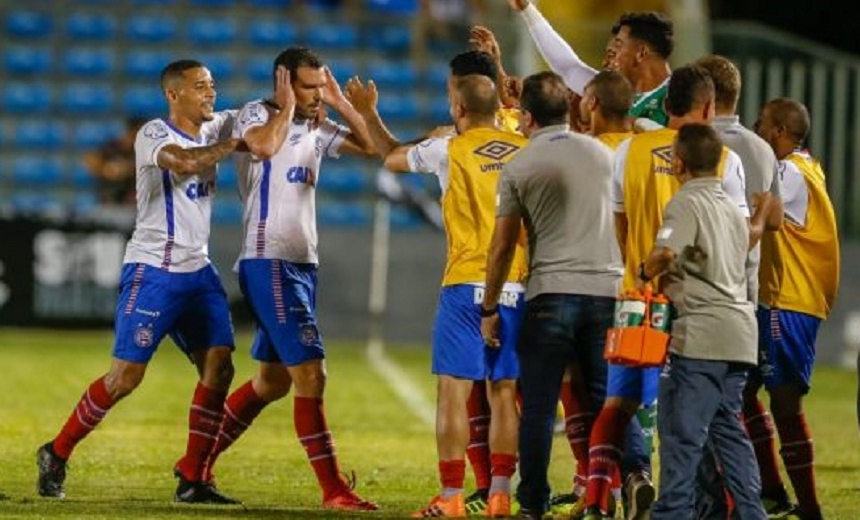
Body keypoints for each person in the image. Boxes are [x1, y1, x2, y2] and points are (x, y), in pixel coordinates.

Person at [36, 59, 245, 504]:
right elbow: (186, 163)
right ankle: (56, 452)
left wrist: (298, 101)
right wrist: (233, 145)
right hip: (153, 271)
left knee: (220, 366)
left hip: (198, 270)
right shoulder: (154, 133)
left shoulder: (216, 124)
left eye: (213, 85)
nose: (212, 93)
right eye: (201, 86)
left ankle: (193, 477)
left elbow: (257, 117)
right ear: (174, 94)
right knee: (125, 378)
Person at [197, 46, 378, 511]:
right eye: (309, 86)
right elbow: (262, 147)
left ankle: (193, 465)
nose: (318, 94)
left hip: (302, 265)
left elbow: (374, 148)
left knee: (272, 383)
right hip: (269, 261)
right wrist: (291, 108)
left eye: (322, 86)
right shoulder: (256, 114)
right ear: (284, 82)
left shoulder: (318, 126)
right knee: (312, 375)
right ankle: (334, 489)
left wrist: (342, 105)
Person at [352, 72, 527, 517]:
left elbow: (390, 156)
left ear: (459, 110)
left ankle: (451, 496)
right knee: (503, 389)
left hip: (466, 281)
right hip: (518, 282)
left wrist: (369, 112)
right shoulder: (527, 148)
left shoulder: (450, 148)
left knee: (453, 390)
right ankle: (501, 494)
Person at [581, 64, 750, 520]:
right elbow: (734, 233)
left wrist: (638, 274)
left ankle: (610, 493)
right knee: (697, 418)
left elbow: (620, 224)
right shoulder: (725, 159)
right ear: (709, 107)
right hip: (697, 305)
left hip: (637, 299)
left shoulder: (629, 150)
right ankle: (701, 506)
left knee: (618, 402)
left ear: (664, 102)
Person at [479, 70, 623, 520]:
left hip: (550, 293)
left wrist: (489, 306)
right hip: (606, 292)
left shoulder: (519, 165)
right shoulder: (604, 153)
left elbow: (502, 246)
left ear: (526, 117)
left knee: (539, 406)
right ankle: (608, 492)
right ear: (570, 108)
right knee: (607, 402)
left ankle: (533, 503)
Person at [640, 123, 769, 520]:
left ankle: (673, 513)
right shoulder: (731, 207)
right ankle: (753, 513)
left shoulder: (684, 202)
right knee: (729, 433)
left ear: (678, 161)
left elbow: (664, 254)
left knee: (683, 434)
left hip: (702, 336)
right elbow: (721, 254)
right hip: (739, 333)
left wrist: (643, 273)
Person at [693, 53, 785, 518]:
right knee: (730, 410)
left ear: (705, 97)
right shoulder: (762, 149)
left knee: (701, 418)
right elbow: (775, 223)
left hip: (699, 300)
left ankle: (723, 507)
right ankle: (737, 506)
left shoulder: (695, 144)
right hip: (744, 299)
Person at [748, 98, 840, 520]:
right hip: (777, 300)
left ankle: (809, 508)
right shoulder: (806, 168)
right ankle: (771, 490)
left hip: (789, 302)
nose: (755, 126)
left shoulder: (788, 173)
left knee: (784, 404)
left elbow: (754, 207)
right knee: (742, 394)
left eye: (762, 123)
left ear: (780, 130)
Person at [507, 0, 673, 127]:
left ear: (641, 53)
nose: (610, 61)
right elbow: (568, 66)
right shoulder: (612, 92)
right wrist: (527, 10)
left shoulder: (679, 91)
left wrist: (636, 124)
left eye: (618, 46)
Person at [84, 116, 147, 207]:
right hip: (109, 202)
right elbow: (90, 160)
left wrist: (126, 169)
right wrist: (105, 169)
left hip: (135, 205)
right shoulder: (113, 147)